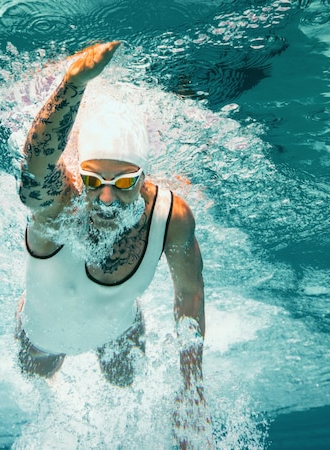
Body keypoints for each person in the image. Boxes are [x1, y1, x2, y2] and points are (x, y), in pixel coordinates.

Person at [16, 41, 208, 445]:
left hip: (120, 328)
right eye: (93, 181)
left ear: (143, 177)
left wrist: (191, 389)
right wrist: (73, 82)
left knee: (126, 379)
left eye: (122, 184)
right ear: (80, 175)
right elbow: (35, 172)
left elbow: (188, 293)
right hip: (43, 332)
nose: (106, 198)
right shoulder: (60, 207)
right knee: (38, 372)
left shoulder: (170, 217)